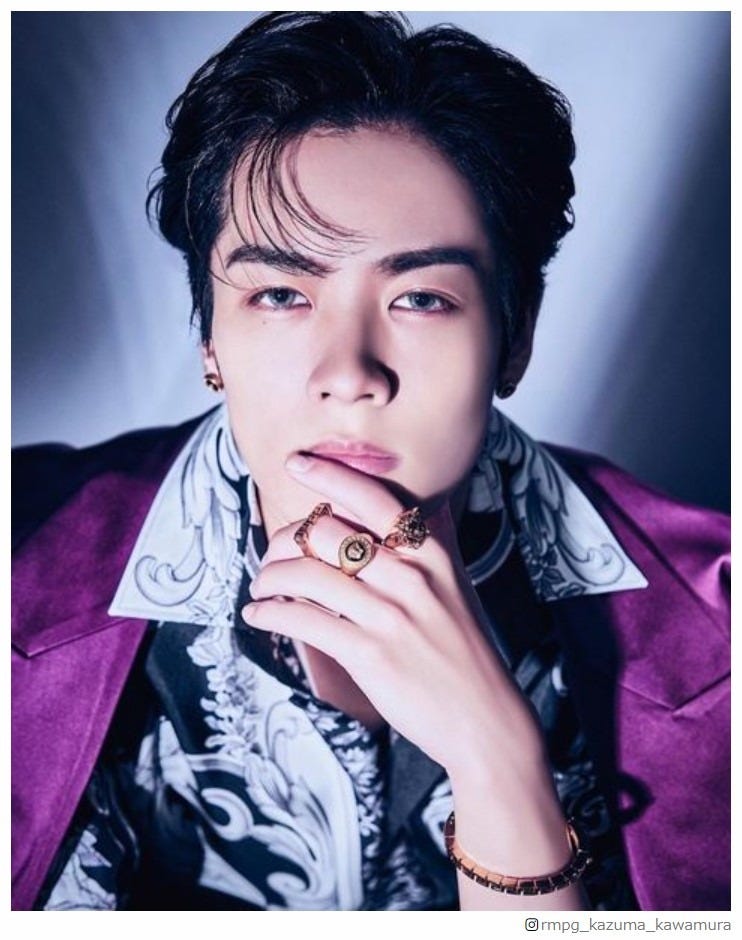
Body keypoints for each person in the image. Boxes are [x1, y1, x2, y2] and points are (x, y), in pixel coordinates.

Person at [11, 11, 729, 912]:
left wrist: (496, 759)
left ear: (515, 338)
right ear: (209, 339)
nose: (350, 374)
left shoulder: (716, 613)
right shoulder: (24, 552)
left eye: (421, 298)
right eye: (281, 294)